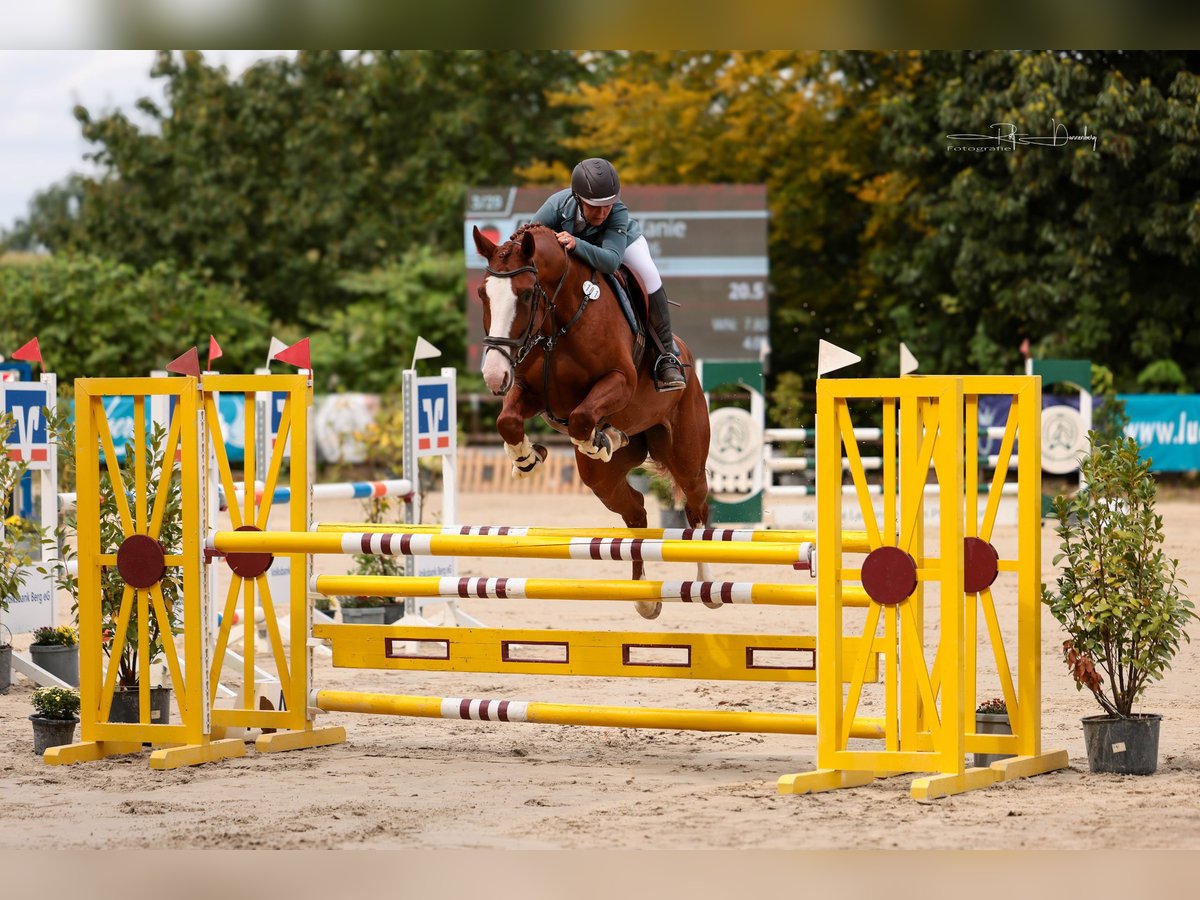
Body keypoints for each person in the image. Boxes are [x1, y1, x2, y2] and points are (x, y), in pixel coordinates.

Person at [531, 158, 685, 392]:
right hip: (576, 247)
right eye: (594, 206)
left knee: (650, 275)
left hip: (620, 246)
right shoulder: (556, 206)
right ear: (577, 198)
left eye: (608, 205)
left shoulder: (618, 212)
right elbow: (529, 241)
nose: (602, 212)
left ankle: (666, 356)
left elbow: (611, 261)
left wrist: (577, 243)